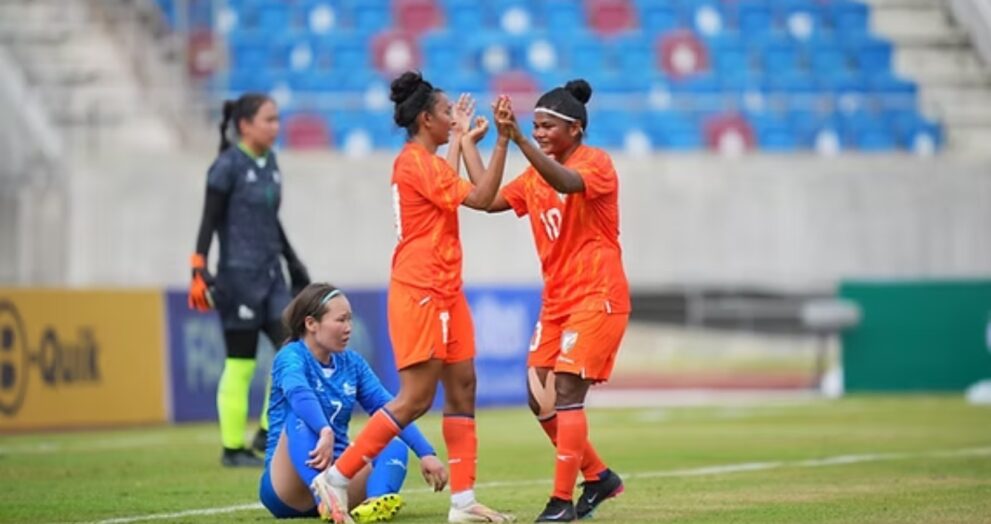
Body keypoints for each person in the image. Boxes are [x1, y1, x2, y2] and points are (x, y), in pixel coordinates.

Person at [308, 71, 514, 524]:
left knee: (463, 388)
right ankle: (337, 478)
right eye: (446, 114)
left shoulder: (429, 162)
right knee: (416, 397)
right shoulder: (412, 162)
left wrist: (460, 140)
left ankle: (463, 504)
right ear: (425, 119)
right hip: (419, 290)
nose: (452, 119)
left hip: (446, 289)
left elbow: (452, 192)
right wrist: (500, 142)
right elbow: (480, 198)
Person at [487, 80, 630, 522]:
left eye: (548, 126)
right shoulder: (533, 174)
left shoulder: (596, 164)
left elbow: (568, 184)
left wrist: (521, 141)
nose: (542, 132)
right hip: (557, 302)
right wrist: (488, 143)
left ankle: (560, 502)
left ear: (577, 130)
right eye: (536, 126)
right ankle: (600, 476)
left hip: (597, 295)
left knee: (567, 390)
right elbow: (486, 199)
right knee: (539, 400)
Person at [188, 93, 311, 467]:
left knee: (291, 350)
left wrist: (293, 262)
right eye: (269, 120)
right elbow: (208, 220)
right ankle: (232, 449)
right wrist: (198, 266)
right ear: (245, 125)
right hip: (237, 279)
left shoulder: (271, 162)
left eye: (277, 119)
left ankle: (264, 431)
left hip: (272, 276)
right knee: (240, 363)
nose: (276, 126)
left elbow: (271, 220)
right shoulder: (225, 167)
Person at [260, 282, 446, 523]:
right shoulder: (291, 356)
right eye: (341, 320)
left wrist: (426, 453)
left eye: (350, 320)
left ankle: (375, 504)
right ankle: (325, 496)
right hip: (287, 486)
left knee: (392, 441)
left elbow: (390, 409)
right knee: (299, 417)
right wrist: (324, 429)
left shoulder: (352, 363)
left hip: (338, 474)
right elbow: (299, 394)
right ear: (311, 324)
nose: (349, 328)